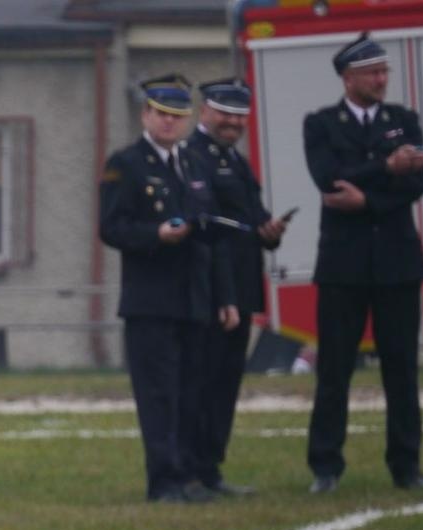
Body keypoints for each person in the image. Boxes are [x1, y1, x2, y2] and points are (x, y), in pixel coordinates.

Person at [303, 32, 423, 493]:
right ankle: (325, 466)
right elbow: (328, 178)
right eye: (372, 73)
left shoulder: (403, 121)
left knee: (400, 368)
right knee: (335, 369)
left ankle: (406, 465)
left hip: (397, 263)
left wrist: (369, 200)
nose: (382, 79)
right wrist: (384, 168)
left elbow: (416, 183)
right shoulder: (321, 123)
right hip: (344, 267)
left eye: (384, 72)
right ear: (348, 77)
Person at [99, 74, 238, 503]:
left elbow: (211, 235)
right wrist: (156, 234)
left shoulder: (194, 163)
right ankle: (164, 481)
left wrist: (225, 296)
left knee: (191, 392)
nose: (168, 124)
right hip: (151, 300)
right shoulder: (125, 163)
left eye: (177, 117)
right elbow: (112, 228)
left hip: (193, 297)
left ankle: (191, 475)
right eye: (161, 115)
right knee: (159, 395)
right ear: (146, 115)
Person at [188, 78, 289, 496]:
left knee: (227, 381)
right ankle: (192, 470)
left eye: (239, 116)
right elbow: (208, 232)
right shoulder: (192, 157)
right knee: (201, 381)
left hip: (242, 286)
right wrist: (223, 294)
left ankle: (212, 469)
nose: (232, 122)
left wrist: (271, 231)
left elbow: (253, 218)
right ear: (205, 112)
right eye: (224, 113)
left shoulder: (236, 161)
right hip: (210, 290)